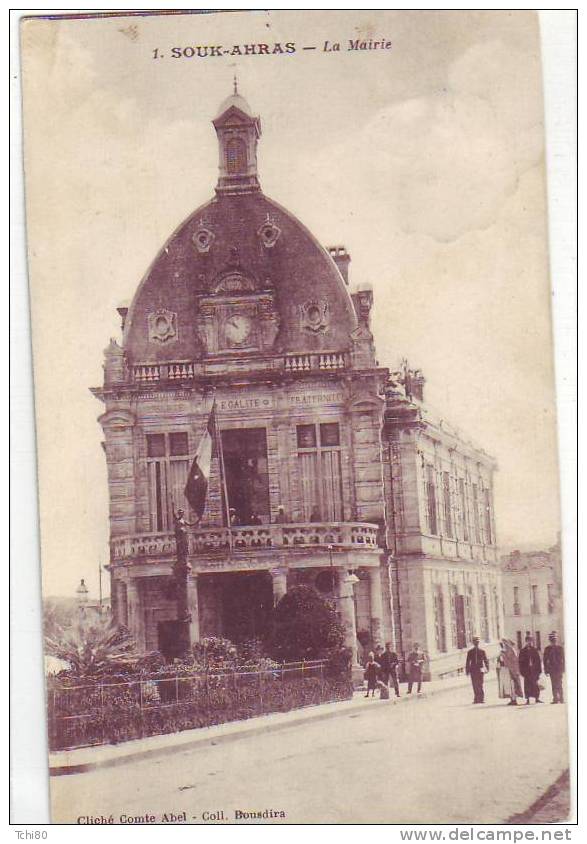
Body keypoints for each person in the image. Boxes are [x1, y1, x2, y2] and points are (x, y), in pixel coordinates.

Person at [518, 634, 543, 704]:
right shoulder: (522, 651)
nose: (529, 642)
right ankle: (527, 699)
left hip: (534, 670)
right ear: (526, 641)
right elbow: (520, 662)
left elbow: (538, 661)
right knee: (527, 685)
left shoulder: (534, 650)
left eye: (531, 641)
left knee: (535, 684)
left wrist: (539, 671)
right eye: (528, 641)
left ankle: (537, 698)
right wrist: (522, 671)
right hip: (527, 671)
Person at [497, 639, 523, 706]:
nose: (503, 645)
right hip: (508, 670)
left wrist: (504, 655)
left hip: (512, 670)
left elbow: (513, 660)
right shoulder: (505, 650)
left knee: (513, 684)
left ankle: (514, 699)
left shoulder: (511, 650)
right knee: (510, 685)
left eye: (504, 643)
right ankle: (512, 699)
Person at [465, 636, 489, 704]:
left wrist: (487, 668)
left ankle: (481, 698)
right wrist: (467, 671)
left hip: (480, 670)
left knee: (480, 684)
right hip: (473, 670)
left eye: (477, 642)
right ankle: (476, 698)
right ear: (473, 643)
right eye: (475, 642)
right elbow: (467, 662)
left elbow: (486, 660)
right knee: (474, 684)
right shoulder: (470, 652)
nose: (476, 643)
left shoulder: (482, 651)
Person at [543, 632, 565, 704]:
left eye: (554, 640)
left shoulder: (560, 648)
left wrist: (563, 668)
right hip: (552, 669)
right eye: (552, 640)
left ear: (556, 640)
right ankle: (555, 698)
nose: (553, 642)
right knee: (553, 684)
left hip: (558, 669)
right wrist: (546, 670)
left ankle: (561, 698)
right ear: (550, 641)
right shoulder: (547, 649)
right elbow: (545, 660)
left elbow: (563, 659)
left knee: (559, 683)